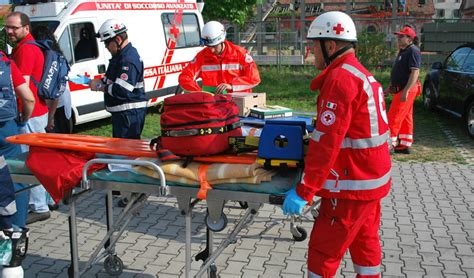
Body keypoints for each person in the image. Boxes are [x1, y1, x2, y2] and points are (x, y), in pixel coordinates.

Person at [282, 11, 392, 277]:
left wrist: (305, 191)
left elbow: (326, 144)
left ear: (330, 45)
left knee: (323, 253)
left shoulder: (340, 79)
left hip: (349, 185)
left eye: (313, 45)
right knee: (365, 244)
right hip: (371, 182)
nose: (311, 53)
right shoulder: (359, 73)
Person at [5, 12, 52, 224]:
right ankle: (45, 201)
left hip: (30, 114)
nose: (9, 31)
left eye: (14, 27)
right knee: (36, 159)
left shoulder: (25, 50)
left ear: (26, 28)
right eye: (7, 27)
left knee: (28, 164)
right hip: (37, 112)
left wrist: (22, 117)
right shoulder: (30, 47)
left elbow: (21, 89)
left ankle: (39, 206)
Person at [0, 50, 35, 277]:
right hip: (6, 128)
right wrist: (25, 117)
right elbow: (28, 97)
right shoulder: (5, 62)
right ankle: (15, 228)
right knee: (15, 177)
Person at [88, 19, 147, 139]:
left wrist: (99, 87)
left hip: (128, 115)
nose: (106, 47)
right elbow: (112, 79)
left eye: (107, 43)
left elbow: (122, 90)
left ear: (118, 39)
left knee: (126, 153)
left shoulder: (128, 59)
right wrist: (99, 82)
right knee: (122, 152)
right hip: (124, 115)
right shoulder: (120, 57)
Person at [179, 21, 261, 94]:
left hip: (238, 104)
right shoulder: (202, 56)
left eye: (214, 46)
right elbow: (184, 77)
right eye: (209, 46)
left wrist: (231, 86)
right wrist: (200, 93)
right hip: (213, 104)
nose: (211, 50)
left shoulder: (240, 54)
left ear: (221, 41)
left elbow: (254, 78)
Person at [385, 25, 421, 154]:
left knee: (394, 116)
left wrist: (405, 91)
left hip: (408, 89)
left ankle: (389, 145)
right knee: (406, 117)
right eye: (398, 36)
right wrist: (391, 87)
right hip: (402, 88)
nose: (398, 38)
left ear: (410, 38)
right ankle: (405, 144)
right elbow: (399, 72)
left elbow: (415, 72)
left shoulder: (413, 51)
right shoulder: (404, 50)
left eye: (401, 36)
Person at [32, 25, 73, 135]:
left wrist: (50, 117)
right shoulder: (56, 55)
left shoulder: (48, 59)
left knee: (58, 144)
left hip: (56, 108)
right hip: (63, 105)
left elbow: (54, 92)